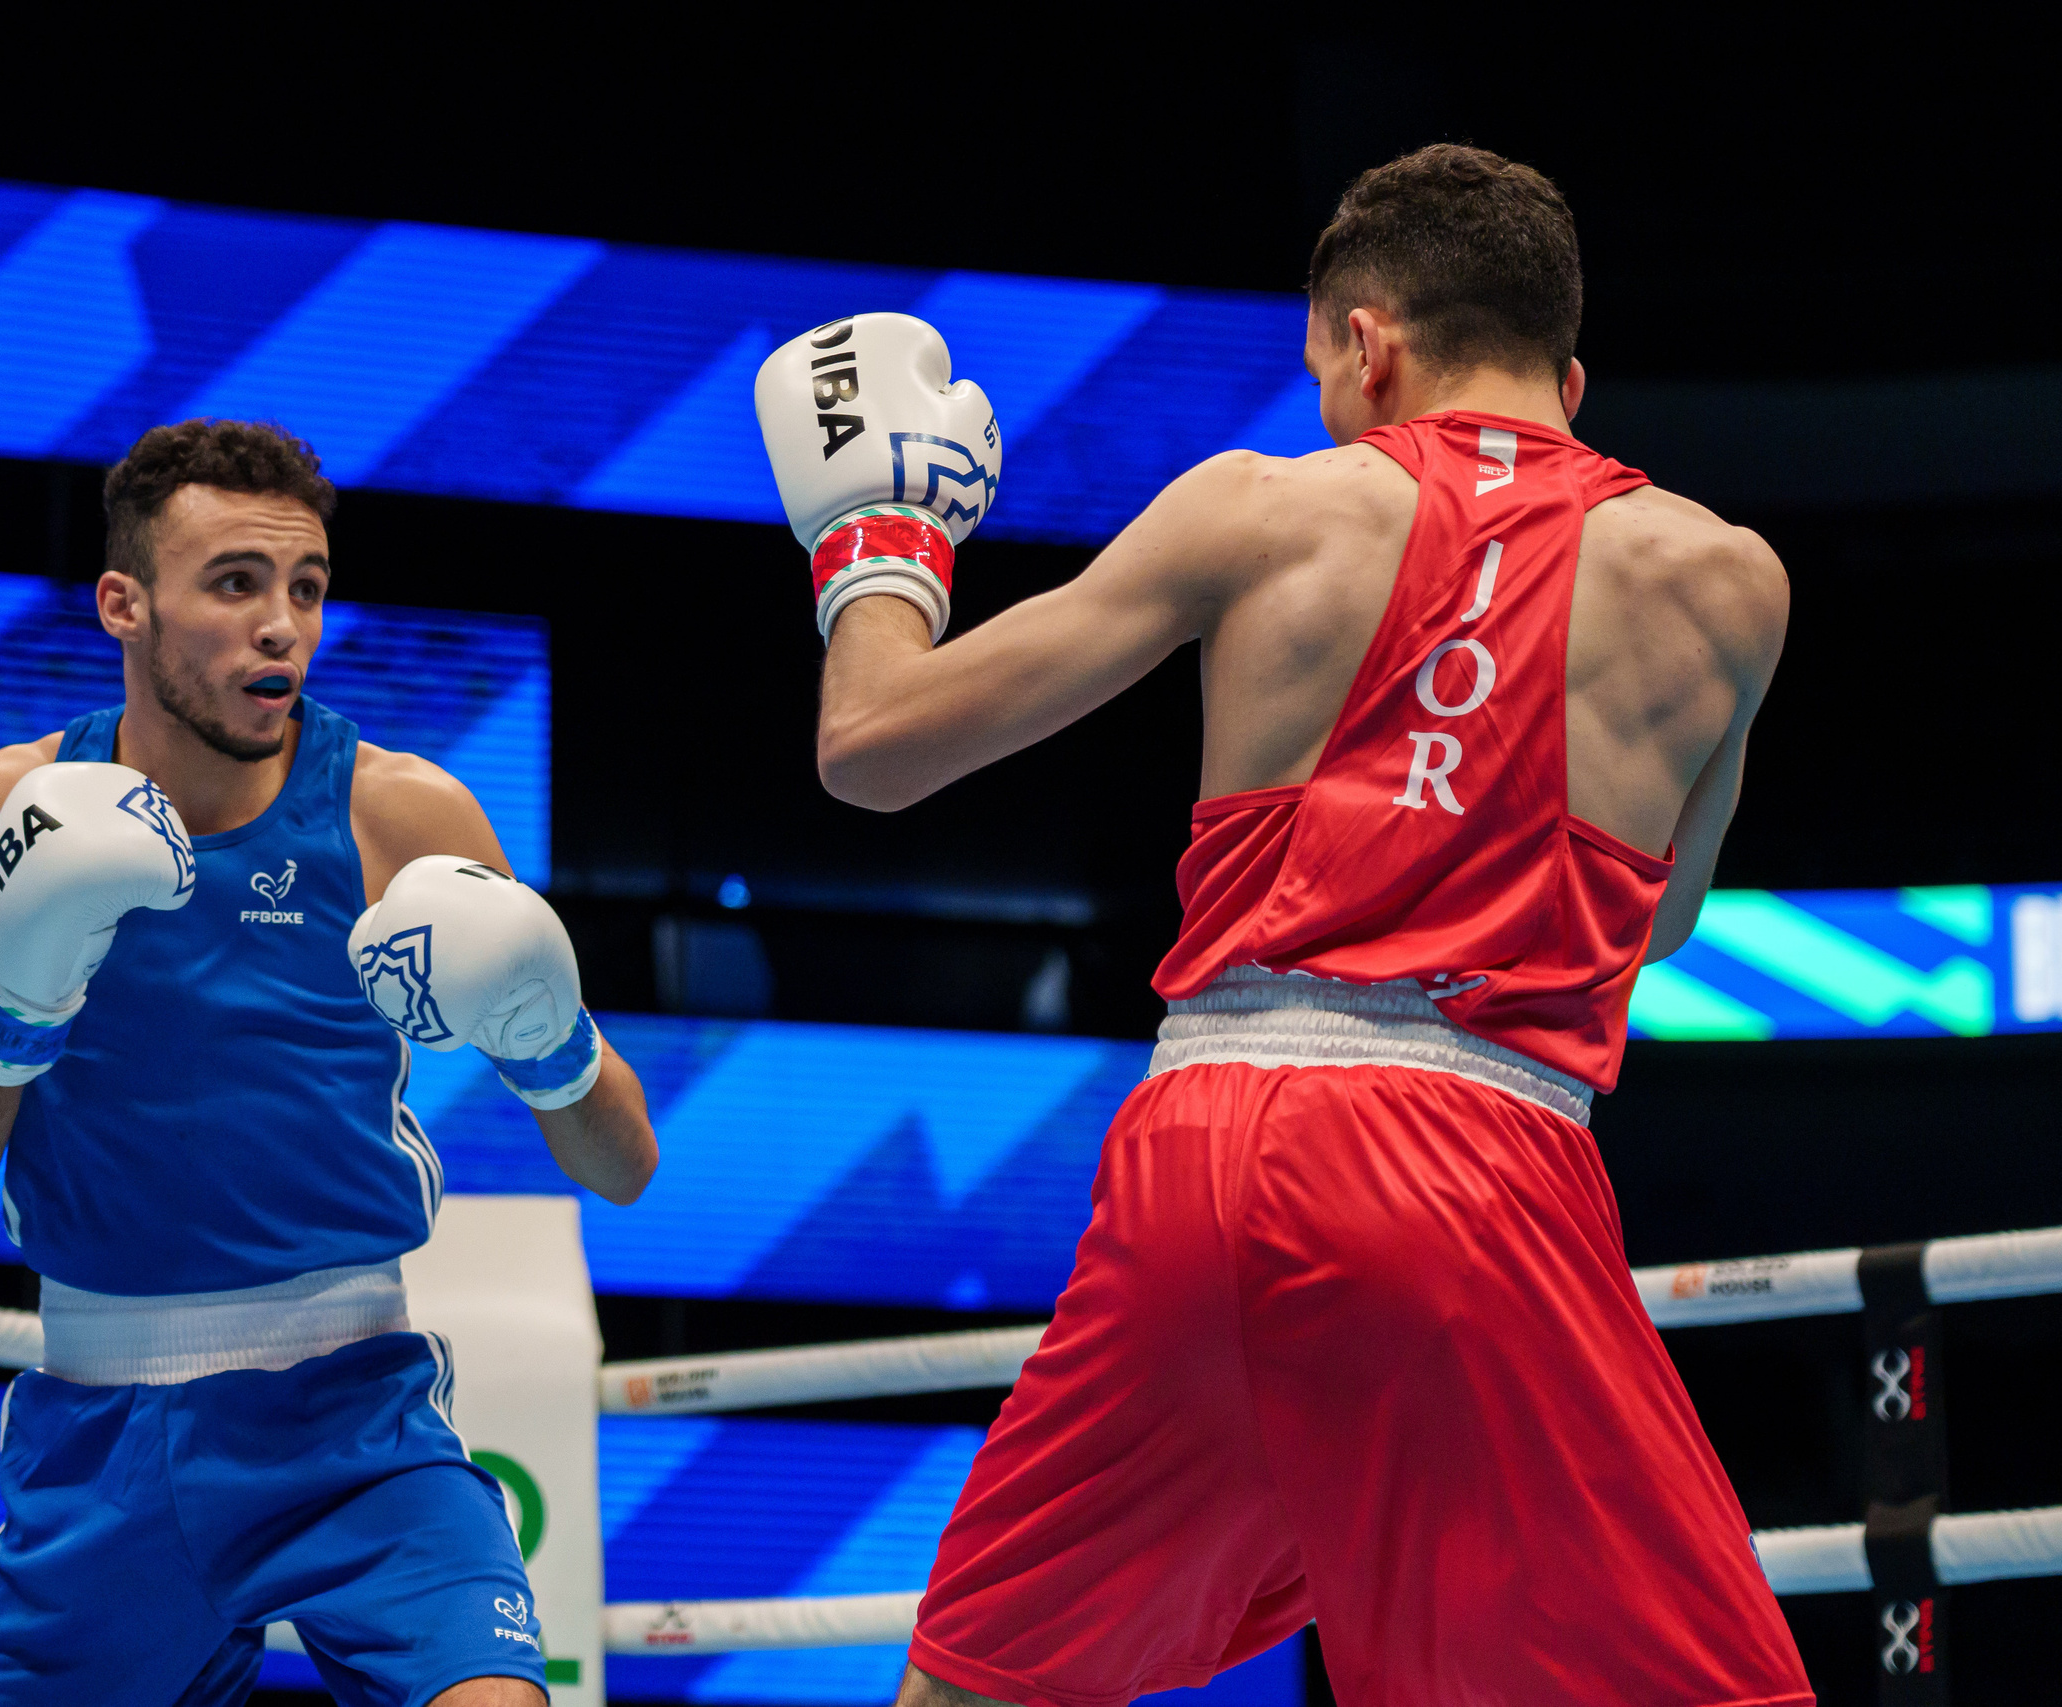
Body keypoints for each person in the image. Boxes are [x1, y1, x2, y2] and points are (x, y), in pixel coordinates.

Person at [756, 147, 1808, 1705]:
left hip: (1208, 1147)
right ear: (1568, 375)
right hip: (1477, 1167)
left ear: (1366, 340)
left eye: (1326, 372)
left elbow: (875, 743)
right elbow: (1651, 933)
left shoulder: (1260, 510)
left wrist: (881, 543)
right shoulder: (1729, 581)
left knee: (993, 1680)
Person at [0, 419, 657, 1707]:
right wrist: (17, 1009)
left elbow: (621, 1164)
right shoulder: (0, 811)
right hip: (101, 1433)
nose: (282, 626)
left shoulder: (401, 812)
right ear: (123, 605)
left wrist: (546, 1038)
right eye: (235, 583)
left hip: (355, 1416)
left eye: (305, 587)